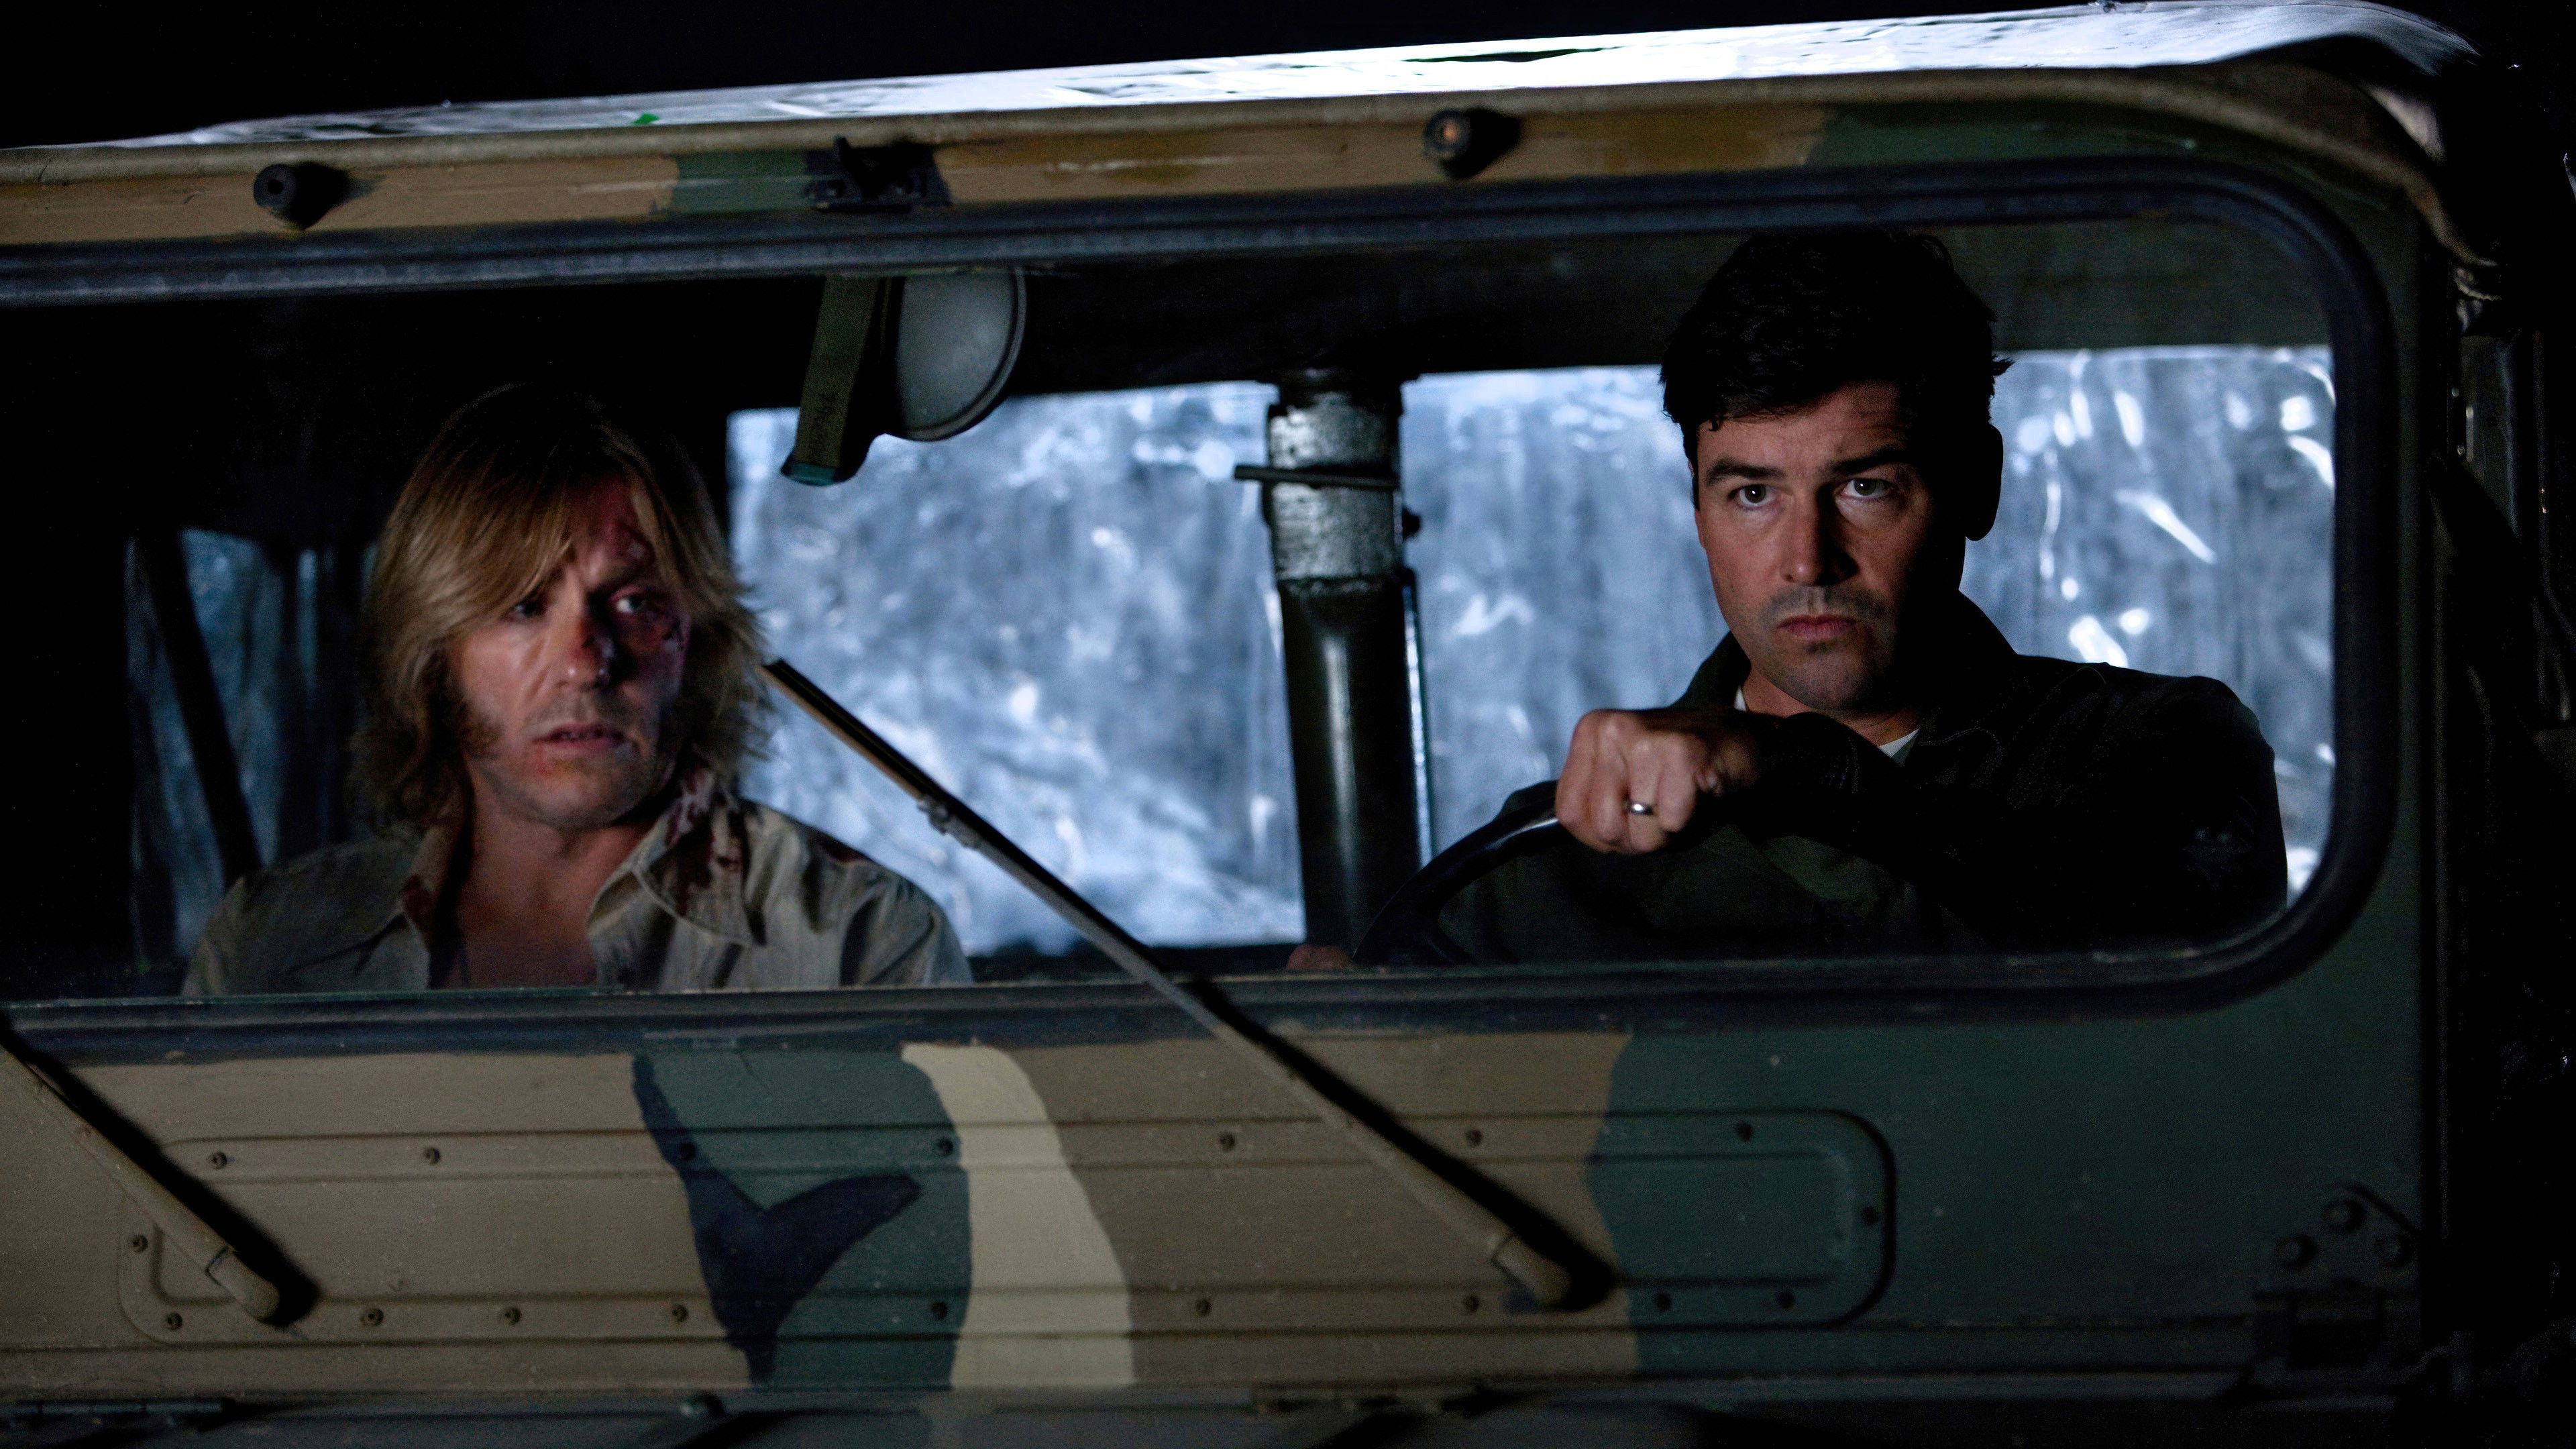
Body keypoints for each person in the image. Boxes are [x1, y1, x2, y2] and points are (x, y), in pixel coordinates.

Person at [1341, 229, 2286, 965]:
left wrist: (1798, 772)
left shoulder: (2159, 751)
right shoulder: (1560, 850)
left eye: (1864, 487)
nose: (1806, 561)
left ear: (1977, 487)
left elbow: (2152, 1027)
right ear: (1699, 512)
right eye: (1753, 495)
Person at [188, 385, 969, 994]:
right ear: (434, 653)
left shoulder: (859, 943)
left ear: (695, 642)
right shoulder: (272, 947)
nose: (585, 662)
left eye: (634, 603)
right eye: (524, 607)